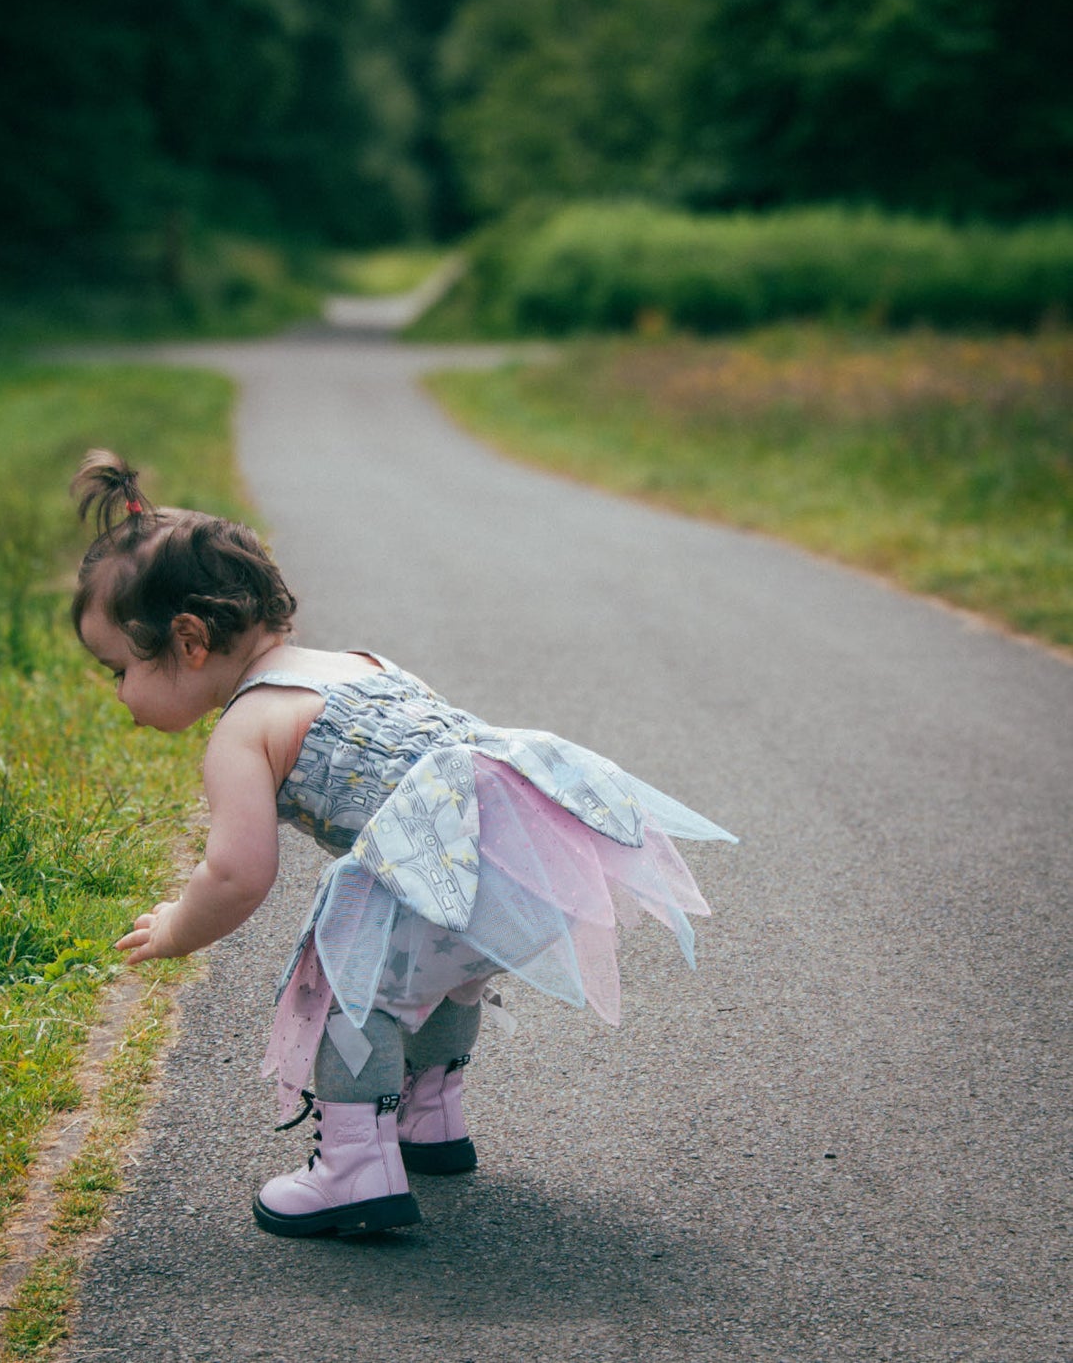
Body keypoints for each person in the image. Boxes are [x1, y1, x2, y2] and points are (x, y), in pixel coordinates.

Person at [71, 450, 737, 1240]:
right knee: (440, 981)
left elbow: (236, 874)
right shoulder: (357, 664)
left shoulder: (244, 728)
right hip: (525, 860)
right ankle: (430, 1117)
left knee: (349, 985)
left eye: (117, 669)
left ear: (186, 641)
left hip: (441, 874)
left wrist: (180, 926)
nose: (118, 694)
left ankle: (354, 1167)